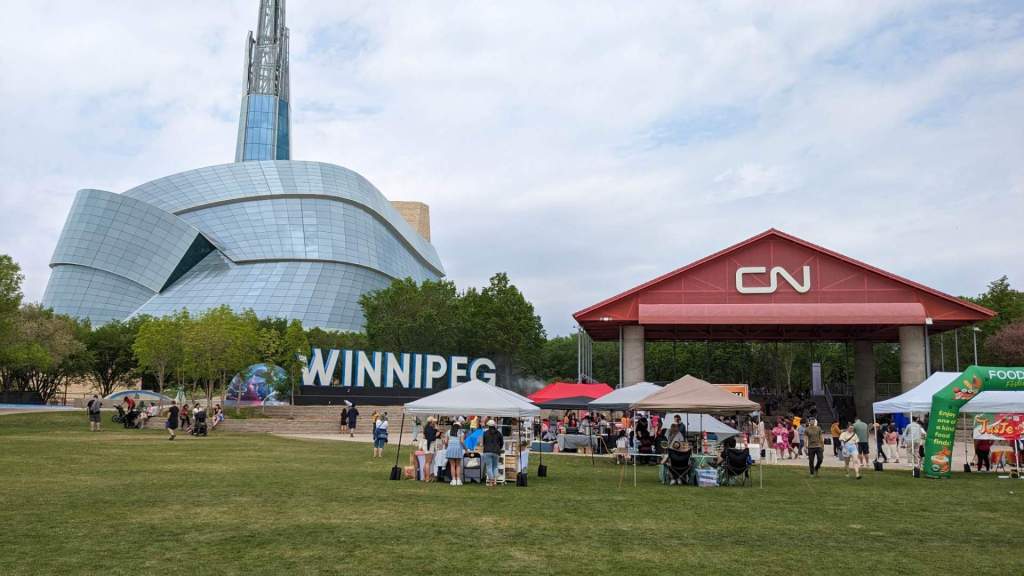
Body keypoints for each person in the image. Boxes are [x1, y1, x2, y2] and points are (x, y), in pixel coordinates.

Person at [482, 419, 503, 487]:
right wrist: (499, 448)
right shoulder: (499, 433)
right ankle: (495, 481)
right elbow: (502, 443)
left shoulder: (485, 433)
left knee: (489, 467)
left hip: (487, 451)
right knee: (495, 467)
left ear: (488, 426)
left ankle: (490, 482)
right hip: (496, 451)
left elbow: (484, 443)